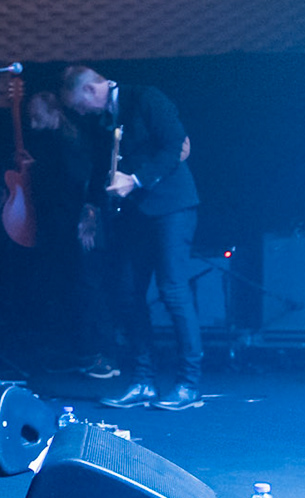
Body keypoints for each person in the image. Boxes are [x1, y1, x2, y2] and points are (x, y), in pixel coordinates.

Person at [61, 65, 204, 411]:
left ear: (91, 90)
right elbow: (100, 167)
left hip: (171, 207)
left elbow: (174, 146)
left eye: (79, 105)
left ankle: (189, 383)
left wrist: (137, 179)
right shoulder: (101, 121)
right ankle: (143, 380)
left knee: (172, 288)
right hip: (133, 214)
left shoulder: (146, 98)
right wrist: (90, 210)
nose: (80, 112)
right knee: (127, 292)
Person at [17, 88, 116, 376]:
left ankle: (101, 354)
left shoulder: (71, 142)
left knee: (88, 288)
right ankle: (85, 352)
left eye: (37, 118)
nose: (33, 124)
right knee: (76, 288)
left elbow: (79, 183)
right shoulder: (56, 141)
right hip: (66, 226)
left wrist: (88, 218)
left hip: (79, 226)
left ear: (54, 113)